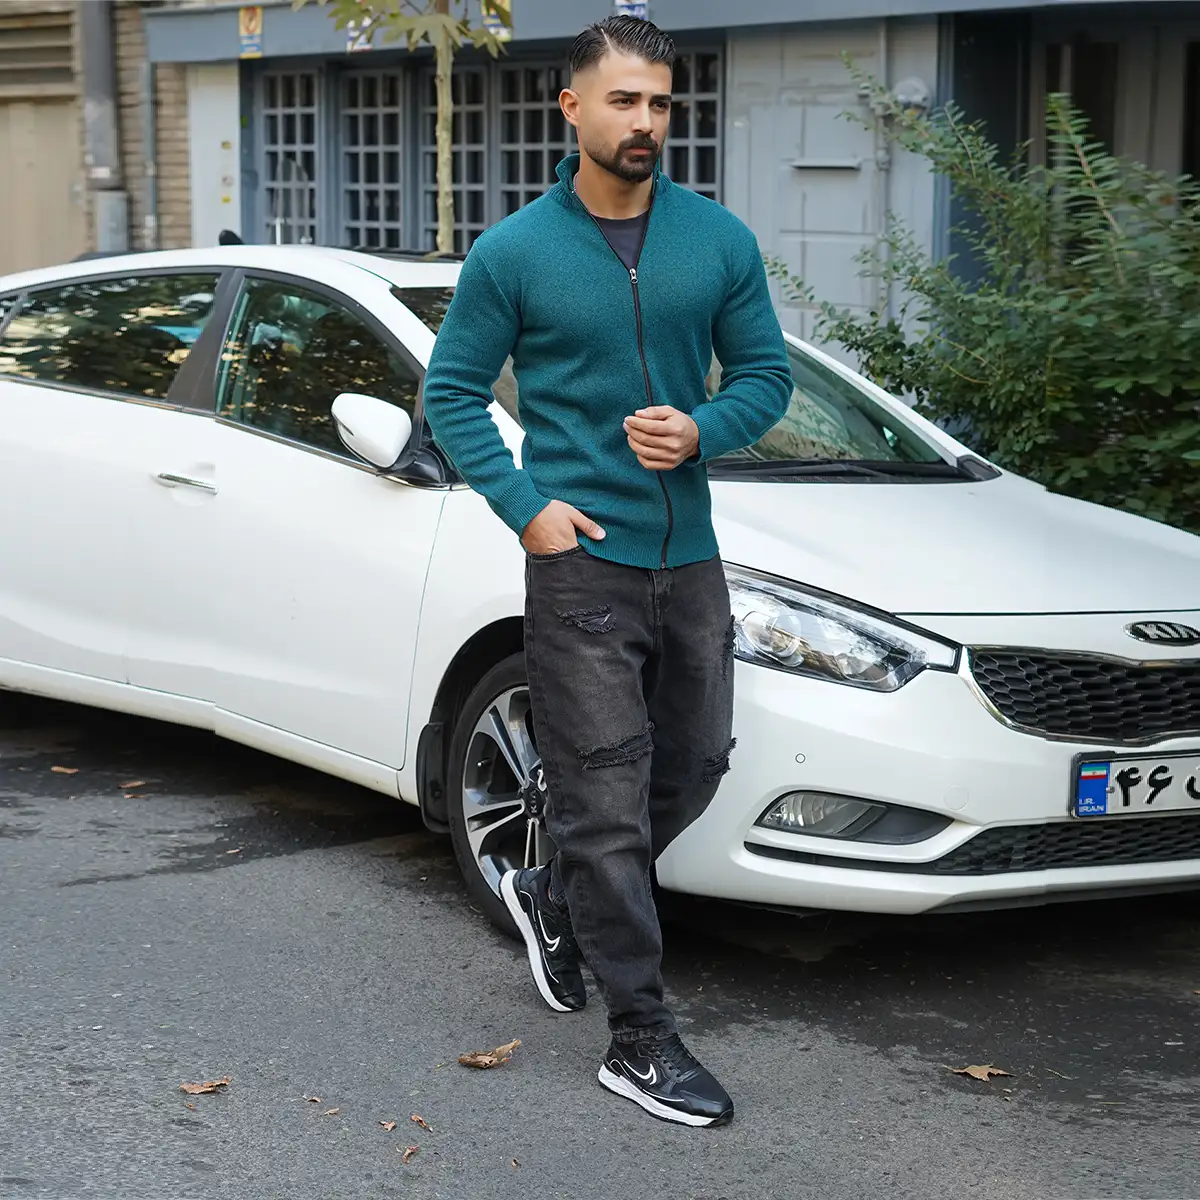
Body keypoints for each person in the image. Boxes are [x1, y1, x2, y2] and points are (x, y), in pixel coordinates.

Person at [421, 15, 791, 1127]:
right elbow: (452, 394)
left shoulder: (716, 240)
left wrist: (706, 427)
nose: (646, 122)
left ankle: (555, 891)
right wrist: (526, 509)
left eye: (661, 102)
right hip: (582, 564)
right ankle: (639, 1039)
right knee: (606, 800)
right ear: (573, 107)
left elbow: (765, 376)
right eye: (625, 100)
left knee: (700, 762)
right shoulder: (515, 253)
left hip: (691, 557)